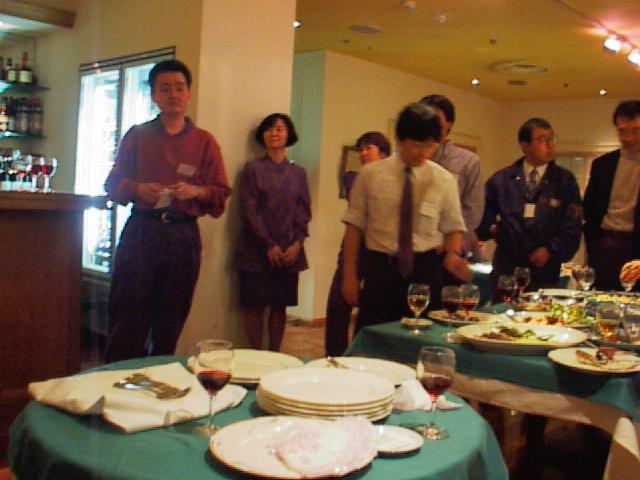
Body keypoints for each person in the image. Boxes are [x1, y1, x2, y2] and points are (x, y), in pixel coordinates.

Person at [103, 59, 231, 362]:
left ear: (188, 94)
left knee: (171, 319)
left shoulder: (204, 142)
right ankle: (118, 378)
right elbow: (112, 184)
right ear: (153, 96)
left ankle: (161, 377)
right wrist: (138, 189)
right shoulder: (138, 135)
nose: (173, 94)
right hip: (142, 232)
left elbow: (220, 193)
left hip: (182, 236)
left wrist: (196, 191)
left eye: (179, 87)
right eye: (165, 88)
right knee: (128, 316)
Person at [342, 103, 470, 333]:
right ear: (400, 140)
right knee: (374, 337)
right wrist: (349, 275)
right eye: (417, 145)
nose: (423, 153)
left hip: (425, 271)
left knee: (423, 338)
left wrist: (453, 254)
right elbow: (354, 227)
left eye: (430, 146)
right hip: (381, 270)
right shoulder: (371, 175)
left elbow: (453, 226)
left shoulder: (443, 179)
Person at [476, 118, 582, 302]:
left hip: (544, 271)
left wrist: (550, 250)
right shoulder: (502, 179)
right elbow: (481, 216)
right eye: (542, 139)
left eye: (552, 138)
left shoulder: (565, 181)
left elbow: (572, 226)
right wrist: (494, 230)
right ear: (524, 146)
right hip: (507, 268)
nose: (550, 144)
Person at [236, 113, 311, 351]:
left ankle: (275, 354)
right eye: (269, 129)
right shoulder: (253, 169)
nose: (274, 133)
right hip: (255, 250)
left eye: (280, 128)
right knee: (254, 306)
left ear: (289, 134)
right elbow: (250, 210)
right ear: (262, 135)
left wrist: (297, 244)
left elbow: (303, 211)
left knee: (280, 306)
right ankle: (255, 356)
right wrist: (268, 244)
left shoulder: (299, 173)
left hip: (290, 249)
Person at [324, 131, 391, 356]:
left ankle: (362, 355)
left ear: (384, 154)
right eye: (361, 149)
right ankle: (334, 357)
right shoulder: (353, 178)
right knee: (337, 304)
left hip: (380, 251)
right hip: (352, 247)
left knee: (373, 309)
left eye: (368, 148)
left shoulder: (394, 181)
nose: (363, 153)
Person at [583, 100, 640, 291]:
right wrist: (594, 243)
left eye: (636, 130)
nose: (629, 137)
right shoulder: (602, 164)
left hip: (636, 248)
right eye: (622, 131)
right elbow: (589, 208)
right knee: (601, 300)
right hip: (604, 245)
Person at [420, 94, 484, 262]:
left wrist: (446, 243)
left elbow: (472, 211)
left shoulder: (468, 161)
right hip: (413, 247)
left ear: (449, 124)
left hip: (449, 250)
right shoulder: (412, 158)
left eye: (435, 117)